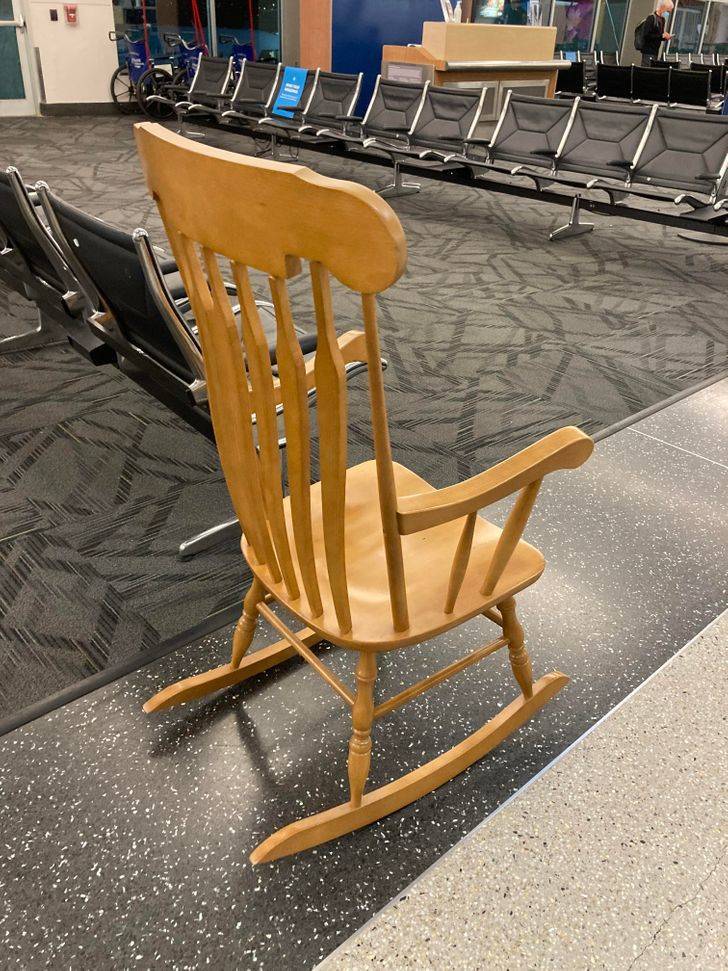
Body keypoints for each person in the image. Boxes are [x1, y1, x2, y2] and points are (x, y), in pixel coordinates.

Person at [640, 0, 674, 66]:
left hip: (655, 51)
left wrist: (665, 37)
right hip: (648, 51)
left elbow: (659, 36)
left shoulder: (662, 20)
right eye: (667, 11)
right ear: (663, 7)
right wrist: (661, 36)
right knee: (647, 69)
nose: (668, 13)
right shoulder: (651, 18)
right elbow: (646, 35)